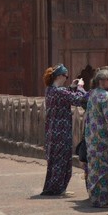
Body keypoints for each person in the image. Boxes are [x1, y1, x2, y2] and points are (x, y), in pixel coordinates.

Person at [40, 64, 88, 196]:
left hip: (52, 131)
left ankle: (54, 188)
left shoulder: (50, 90)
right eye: (66, 76)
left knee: (54, 161)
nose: (66, 79)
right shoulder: (60, 92)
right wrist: (80, 87)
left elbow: (65, 95)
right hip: (61, 131)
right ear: (60, 76)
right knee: (62, 161)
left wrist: (71, 87)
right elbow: (79, 99)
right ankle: (57, 189)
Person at [84, 67, 108, 207]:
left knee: (96, 169)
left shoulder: (93, 94)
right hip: (104, 141)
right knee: (105, 171)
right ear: (101, 81)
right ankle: (102, 200)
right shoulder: (105, 97)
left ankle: (100, 198)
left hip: (93, 139)